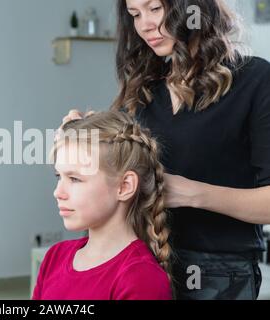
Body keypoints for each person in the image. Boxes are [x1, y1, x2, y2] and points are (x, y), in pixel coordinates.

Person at [62, 0, 270, 299]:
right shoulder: (141, 88)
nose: (144, 24)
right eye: (135, 14)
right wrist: (83, 138)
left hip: (218, 273)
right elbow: (120, 173)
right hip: (141, 264)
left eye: (155, 9)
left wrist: (193, 194)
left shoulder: (255, 80)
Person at [32, 110, 172, 300]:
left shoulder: (141, 278)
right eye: (59, 176)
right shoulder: (54, 257)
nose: (58, 192)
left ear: (124, 186)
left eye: (74, 179)